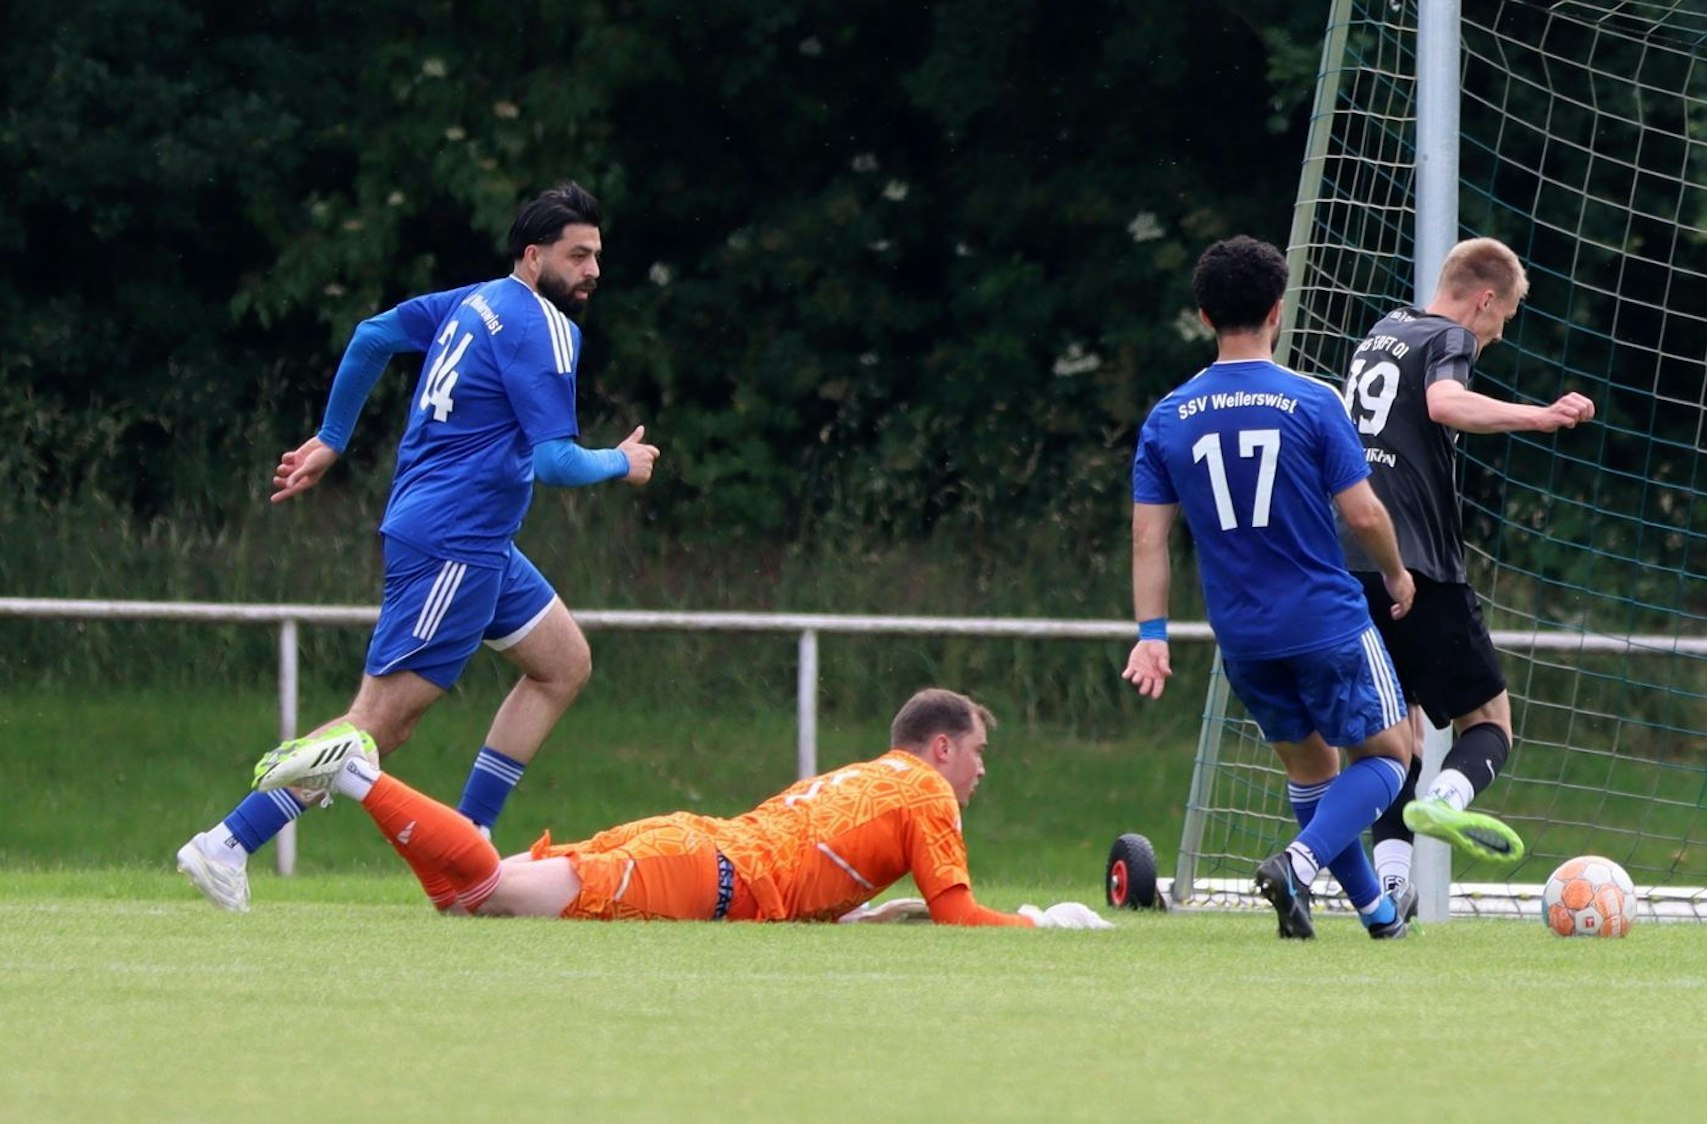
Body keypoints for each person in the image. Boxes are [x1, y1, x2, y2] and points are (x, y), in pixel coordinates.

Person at [175, 182, 661, 912]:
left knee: (562, 664)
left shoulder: (471, 301)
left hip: (472, 537)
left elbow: (372, 334)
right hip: (454, 544)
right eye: (577, 255)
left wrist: (333, 440)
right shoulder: (545, 328)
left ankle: (469, 837)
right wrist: (622, 462)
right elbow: (556, 461)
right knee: (380, 723)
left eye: (597, 255)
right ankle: (227, 842)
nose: (593, 269)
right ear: (533, 258)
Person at [1120, 234, 1444, 940]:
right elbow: (1361, 512)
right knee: (1392, 760)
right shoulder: (1309, 400)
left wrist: (1151, 636)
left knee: (1311, 772)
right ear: (1277, 309)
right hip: (1324, 621)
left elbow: (1149, 539)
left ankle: (1376, 914)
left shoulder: (1167, 417)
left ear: (1203, 317)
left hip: (1241, 635)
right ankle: (1296, 867)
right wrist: (1394, 573)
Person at [247, 687, 1113, 930]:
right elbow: (959, 912)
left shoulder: (866, 776)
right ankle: (357, 775)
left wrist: (880, 917)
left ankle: (352, 779)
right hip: (702, 874)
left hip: (693, 851)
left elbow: (827, 881)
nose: (978, 774)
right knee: (477, 893)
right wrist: (1042, 923)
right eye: (977, 755)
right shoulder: (926, 790)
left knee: (462, 896)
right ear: (940, 748)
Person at [1337, 236, 1596, 911]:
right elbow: (1447, 404)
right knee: (1490, 721)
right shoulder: (1444, 338)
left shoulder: (1382, 331)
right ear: (1482, 299)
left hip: (1345, 560)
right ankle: (1447, 804)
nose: (1495, 336)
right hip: (1414, 564)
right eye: (1500, 320)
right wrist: (1537, 416)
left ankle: (1390, 886)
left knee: (1398, 736)